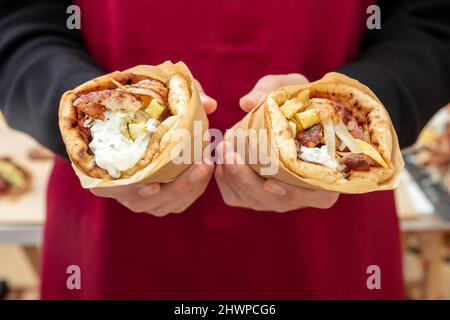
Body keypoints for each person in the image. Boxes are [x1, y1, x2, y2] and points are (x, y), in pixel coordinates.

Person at [0, 0, 449, 299]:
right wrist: (72, 110)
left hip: (330, 224)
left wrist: (369, 103)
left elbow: (433, 23)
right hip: (110, 218)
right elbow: (15, 22)